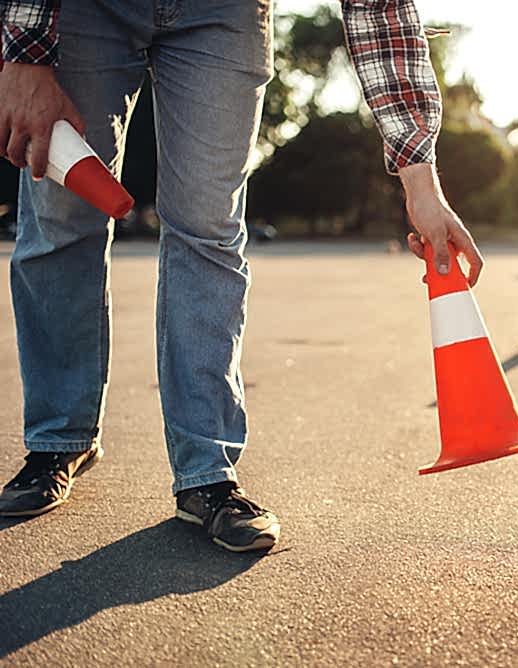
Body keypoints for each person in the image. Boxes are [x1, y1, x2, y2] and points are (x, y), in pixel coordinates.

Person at [0, 0, 484, 552]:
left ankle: (207, 472)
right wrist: (24, 54)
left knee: (208, 229)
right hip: (83, 10)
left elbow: (378, 10)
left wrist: (422, 183)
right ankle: (59, 438)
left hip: (222, 13)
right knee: (60, 215)